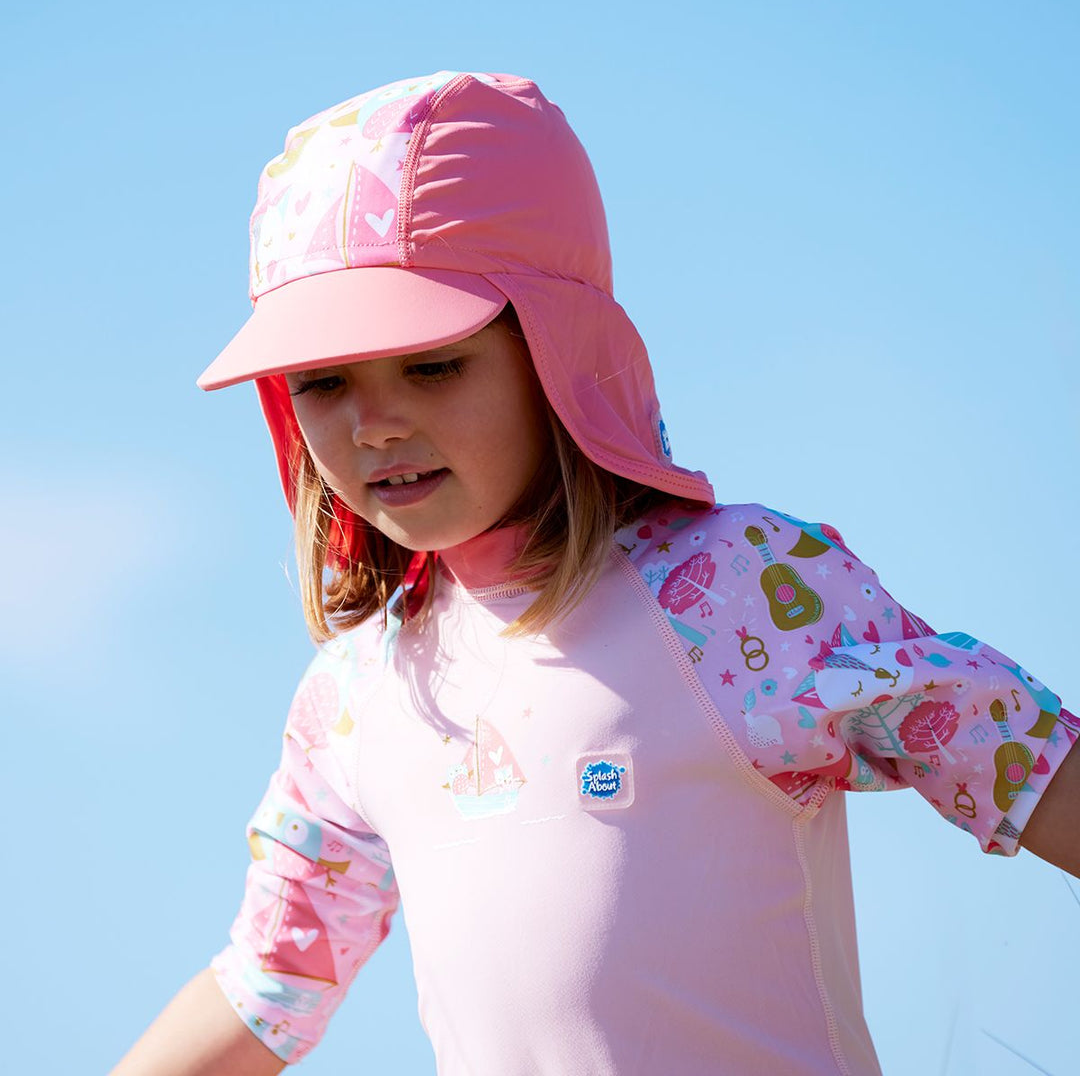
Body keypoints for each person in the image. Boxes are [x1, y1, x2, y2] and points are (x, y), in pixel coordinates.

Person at [111, 70, 1079, 1076]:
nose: (375, 423)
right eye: (323, 382)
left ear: (559, 352)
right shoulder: (355, 701)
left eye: (433, 363)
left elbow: (1026, 760)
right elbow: (267, 988)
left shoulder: (739, 591)